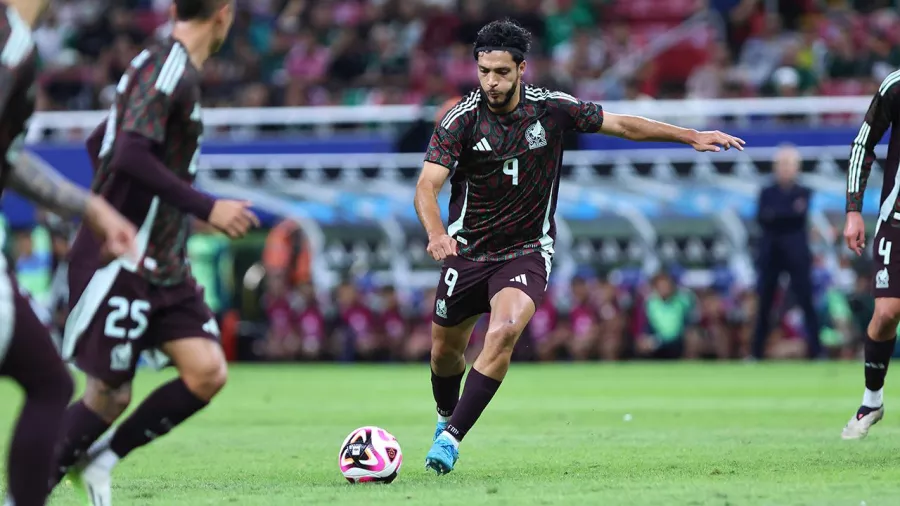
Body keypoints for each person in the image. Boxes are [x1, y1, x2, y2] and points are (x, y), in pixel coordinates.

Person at [415, 18, 745, 474]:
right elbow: (427, 187)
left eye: (502, 73)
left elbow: (623, 126)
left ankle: (451, 439)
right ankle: (445, 416)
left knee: (505, 329)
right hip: (467, 251)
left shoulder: (552, 109)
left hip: (527, 250)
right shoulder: (461, 120)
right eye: (484, 71)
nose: (491, 81)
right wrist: (436, 233)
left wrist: (690, 135)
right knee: (444, 353)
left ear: (522, 69)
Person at [50, 1, 258, 504]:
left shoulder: (164, 66)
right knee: (108, 394)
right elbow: (125, 152)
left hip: (165, 265)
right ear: (224, 15)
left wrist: (132, 202)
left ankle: (100, 461)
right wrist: (206, 207)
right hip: (121, 261)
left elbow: (104, 140)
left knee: (207, 370)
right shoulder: (168, 66)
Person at [0, 1, 137, 505]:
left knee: (51, 382)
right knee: (50, 384)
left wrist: (91, 209)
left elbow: (8, 163)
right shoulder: (10, 39)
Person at [841, 68, 900, 440]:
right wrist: (853, 209)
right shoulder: (896, 85)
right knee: (886, 313)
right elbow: (864, 143)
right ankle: (872, 400)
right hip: (897, 219)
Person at [751, 144, 821, 359]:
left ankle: (817, 352)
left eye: (789, 165)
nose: (785, 169)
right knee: (764, 304)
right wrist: (787, 214)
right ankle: (756, 353)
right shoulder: (767, 191)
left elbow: (791, 217)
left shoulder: (804, 192)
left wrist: (777, 216)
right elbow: (764, 217)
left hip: (797, 254)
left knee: (806, 301)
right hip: (771, 254)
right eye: (782, 164)